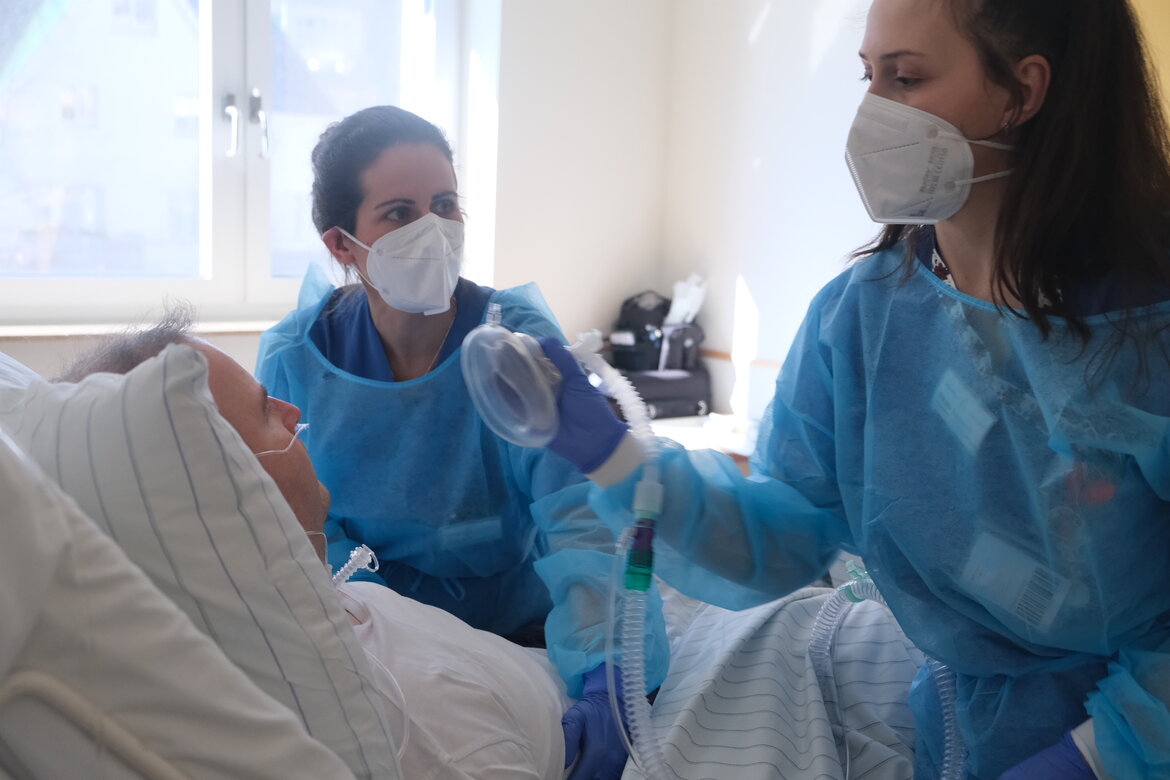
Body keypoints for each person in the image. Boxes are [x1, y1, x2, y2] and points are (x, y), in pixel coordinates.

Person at [540, 0, 1170, 778]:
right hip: (961, 724)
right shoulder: (867, 316)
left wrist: (1099, 756)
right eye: (868, 76)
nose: (872, 114)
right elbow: (785, 530)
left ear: (1023, 90)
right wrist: (614, 457)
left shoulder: (1147, 335)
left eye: (906, 78)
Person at [253, 104, 666, 779]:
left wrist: (608, 676)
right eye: (399, 213)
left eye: (445, 205)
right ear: (341, 244)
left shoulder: (514, 339)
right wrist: (375, 622)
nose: (434, 230)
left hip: (525, 627)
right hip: (378, 631)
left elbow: (583, 515)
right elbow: (294, 524)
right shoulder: (297, 357)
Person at [57, 313, 572, 780]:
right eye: (265, 410)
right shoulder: (426, 725)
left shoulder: (333, 600)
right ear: (221, 489)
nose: (293, 411)